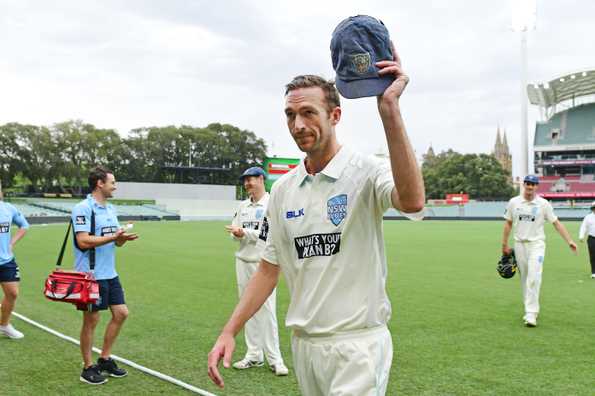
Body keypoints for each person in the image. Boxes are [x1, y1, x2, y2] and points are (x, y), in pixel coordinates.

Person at [208, 17, 425, 395]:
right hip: (305, 347)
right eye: (291, 115)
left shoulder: (365, 171)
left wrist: (389, 108)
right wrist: (230, 329)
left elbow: (412, 201)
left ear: (334, 116)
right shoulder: (284, 189)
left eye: (309, 113)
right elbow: (268, 268)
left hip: (358, 345)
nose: (298, 124)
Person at [72, 166, 138, 385]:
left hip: (110, 273)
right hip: (90, 275)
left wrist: (121, 238)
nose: (115, 186)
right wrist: (112, 239)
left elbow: (114, 240)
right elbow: (83, 240)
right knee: (91, 320)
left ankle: (104, 359)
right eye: (112, 182)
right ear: (100, 183)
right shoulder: (82, 208)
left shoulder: (110, 209)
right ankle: (87, 368)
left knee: (121, 313)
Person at [224, 166, 288, 376]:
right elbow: (234, 234)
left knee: (267, 309)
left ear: (261, 179)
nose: (247, 184)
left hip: (264, 264)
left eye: (250, 180)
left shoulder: (271, 203)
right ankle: (254, 355)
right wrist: (236, 233)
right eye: (244, 181)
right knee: (246, 309)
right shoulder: (243, 207)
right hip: (243, 261)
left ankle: (275, 358)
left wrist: (245, 232)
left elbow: (266, 234)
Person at [502, 175, 577, 327]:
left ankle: (531, 313)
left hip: (537, 245)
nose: (530, 187)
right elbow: (508, 223)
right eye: (528, 184)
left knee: (534, 277)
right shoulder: (513, 202)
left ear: (537, 187)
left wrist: (569, 241)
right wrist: (504, 245)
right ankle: (529, 309)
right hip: (519, 244)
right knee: (524, 279)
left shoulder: (543, 204)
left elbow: (556, 223)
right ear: (524, 185)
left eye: (533, 184)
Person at [0, 192, 29, 339]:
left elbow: (24, 225)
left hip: (6, 261)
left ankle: (4, 325)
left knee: (12, 293)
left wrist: (11, 243)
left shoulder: (8, 208)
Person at [578, 201, 595, 278]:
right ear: (592, 209)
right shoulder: (588, 217)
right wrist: (581, 236)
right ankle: (594, 272)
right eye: (594, 208)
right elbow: (583, 227)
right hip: (592, 238)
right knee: (592, 256)